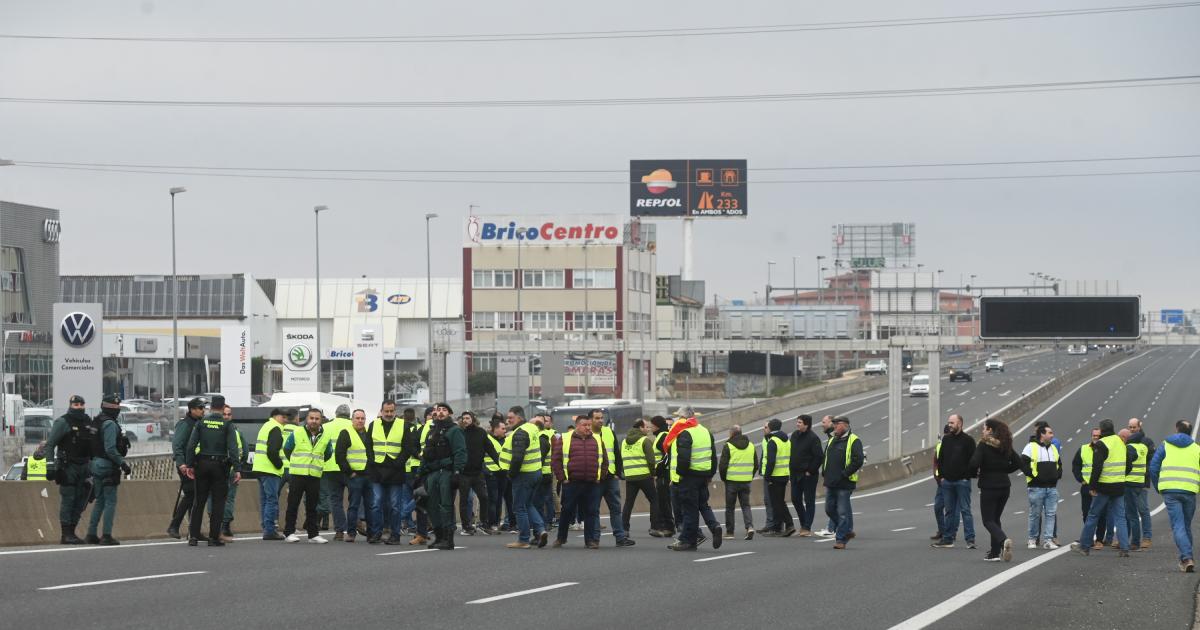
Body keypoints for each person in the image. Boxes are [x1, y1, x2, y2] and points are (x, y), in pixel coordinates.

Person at [1071, 420, 1135, 557]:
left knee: (1093, 515)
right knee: (1120, 518)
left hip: (1104, 486)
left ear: (1101, 431)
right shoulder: (1120, 442)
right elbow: (1129, 465)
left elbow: (1097, 467)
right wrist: (1121, 477)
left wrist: (1092, 486)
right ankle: (1124, 549)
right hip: (1119, 485)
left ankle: (1084, 546)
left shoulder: (1101, 444)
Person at [183, 396, 241, 547]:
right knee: (218, 502)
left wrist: (189, 465)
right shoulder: (227, 425)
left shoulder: (201, 423)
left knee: (199, 501)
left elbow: (191, 445)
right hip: (219, 466)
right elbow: (233, 449)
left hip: (201, 464)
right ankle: (214, 537)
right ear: (223, 408)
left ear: (210, 408)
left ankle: (193, 537)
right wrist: (237, 469)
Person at [666, 412, 723, 551]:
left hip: (689, 476)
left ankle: (687, 541)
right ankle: (714, 526)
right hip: (703, 475)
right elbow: (713, 456)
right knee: (703, 504)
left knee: (689, 509)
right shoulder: (705, 431)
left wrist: (679, 474)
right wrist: (710, 474)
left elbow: (684, 459)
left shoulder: (685, 433)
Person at [44, 394, 96, 544]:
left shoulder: (88, 421)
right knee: (69, 500)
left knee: (82, 501)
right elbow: (50, 445)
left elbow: (93, 443)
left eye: (81, 404)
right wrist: (50, 466)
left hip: (85, 466)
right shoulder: (63, 422)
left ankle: (72, 532)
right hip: (68, 467)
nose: (79, 407)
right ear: (70, 405)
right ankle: (66, 534)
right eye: (76, 405)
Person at [1148, 420, 1199, 572]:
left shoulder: (1166, 445)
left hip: (1170, 491)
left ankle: (1186, 558)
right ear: (1190, 432)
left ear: (1176, 429)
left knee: (1178, 525)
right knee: (1185, 526)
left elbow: (1153, 467)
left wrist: (1159, 486)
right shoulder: (1196, 448)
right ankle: (1186, 558)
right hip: (1189, 491)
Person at [552, 415, 608, 548]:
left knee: (591, 511)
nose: (588, 427)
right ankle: (561, 537)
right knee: (567, 510)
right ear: (577, 425)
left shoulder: (597, 439)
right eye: (585, 425)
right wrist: (562, 478)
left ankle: (590, 540)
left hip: (592, 483)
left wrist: (601, 476)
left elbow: (605, 460)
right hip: (572, 482)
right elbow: (556, 459)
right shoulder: (565, 439)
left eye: (589, 425)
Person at [969, 418, 1020, 562]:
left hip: (989, 487)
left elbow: (974, 463)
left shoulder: (983, 445)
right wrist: (1005, 470)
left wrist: (975, 473)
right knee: (995, 519)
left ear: (990, 430)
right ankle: (994, 553)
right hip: (1005, 486)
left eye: (984, 428)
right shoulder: (1004, 446)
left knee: (988, 520)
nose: (982, 431)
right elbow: (1018, 462)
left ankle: (1004, 541)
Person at [500, 406, 549, 549]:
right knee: (528, 504)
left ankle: (523, 539)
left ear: (519, 418)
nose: (508, 420)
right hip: (536, 472)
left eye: (511, 417)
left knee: (519, 507)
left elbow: (517, 457)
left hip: (523, 475)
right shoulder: (531, 428)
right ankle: (541, 530)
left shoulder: (520, 433)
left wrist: (511, 474)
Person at [420, 402, 467, 550]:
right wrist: (420, 473)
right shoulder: (432, 431)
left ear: (450, 414)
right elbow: (426, 454)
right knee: (431, 505)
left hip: (447, 472)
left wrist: (457, 472)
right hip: (433, 472)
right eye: (438, 410)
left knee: (446, 505)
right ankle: (439, 536)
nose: (440, 412)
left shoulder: (454, 431)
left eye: (444, 410)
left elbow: (460, 452)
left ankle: (448, 538)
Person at [281, 407, 332, 544]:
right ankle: (289, 532)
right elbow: (287, 449)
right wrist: (297, 462)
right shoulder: (297, 433)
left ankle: (313, 535)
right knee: (293, 504)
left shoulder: (325, 436)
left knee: (312, 506)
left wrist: (317, 463)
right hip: (298, 474)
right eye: (311, 418)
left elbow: (328, 454)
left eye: (317, 419)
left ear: (321, 420)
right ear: (307, 419)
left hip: (314, 475)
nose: (314, 421)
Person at [85, 395, 130, 545]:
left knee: (100, 501)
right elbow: (110, 448)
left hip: (95, 464)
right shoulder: (110, 424)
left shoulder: (96, 421)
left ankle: (91, 534)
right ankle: (106, 535)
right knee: (110, 501)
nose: (118, 411)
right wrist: (122, 463)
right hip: (107, 465)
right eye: (117, 408)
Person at [932, 414, 977, 549]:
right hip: (947, 482)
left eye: (952, 423)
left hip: (962, 482)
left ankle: (970, 539)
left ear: (960, 424)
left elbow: (974, 461)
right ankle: (948, 538)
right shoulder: (946, 440)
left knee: (965, 510)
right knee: (949, 511)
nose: (950, 425)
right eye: (949, 423)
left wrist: (967, 476)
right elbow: (941, 460)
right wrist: (942, 477)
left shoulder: (968, 440)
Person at [592, 409, 633, 547]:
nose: (600, 420)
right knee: (594, 509)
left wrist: (617, 473)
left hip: (610, 477)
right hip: (595, 478)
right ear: (590, 420)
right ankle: (595, 538)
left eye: (601, 418)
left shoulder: (609, 432)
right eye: (597, 418)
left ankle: (620, 538)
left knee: (616, 508)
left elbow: (616, 452)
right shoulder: (587, 434)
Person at [168, 398, 206, 540]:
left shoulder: (199, 424)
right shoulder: (185, 424)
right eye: (200, 408)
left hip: (196, 464)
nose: (203, 410)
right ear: (192, 410)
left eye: (203, 408)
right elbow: (177, 445)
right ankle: (174, 526)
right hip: (185, 465)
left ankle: (194, 531)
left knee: (196, 497)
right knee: (190, 494)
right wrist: (182, 464)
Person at [823, 416, 864, 550]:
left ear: (845, 425)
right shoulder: (832, 439)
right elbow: (826, 458)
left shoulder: (854, 440)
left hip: (844, 483)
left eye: (837, 424)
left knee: (842, 511)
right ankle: (846, 529)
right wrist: (824, 472)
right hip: (830, 482)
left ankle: (841, 539)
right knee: (829, 509)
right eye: (833, 424)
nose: (834, 426)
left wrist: (844, 474)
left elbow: (858, 460)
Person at [1021, 422, 1062, 550]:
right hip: (1036, 487)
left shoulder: (1053, 448)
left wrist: (1057, 475)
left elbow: (1059, 464)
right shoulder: (1030, 447)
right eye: (1050, 433)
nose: (1052, 435)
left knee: (1050, 514)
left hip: (1052, 487)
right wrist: (1035, 477)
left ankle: (1048, 540)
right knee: (1035, 514)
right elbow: (1023, 464)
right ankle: (1032, 539)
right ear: (1042, 434)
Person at [252, 408, 290, 540]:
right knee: (271, 500)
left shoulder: (266, 426)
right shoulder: (275, 428)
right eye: (283, 417)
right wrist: (280, 464)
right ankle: (269, 530)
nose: (285, 419)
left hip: (260, 468)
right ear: (275, 416)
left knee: (264, 500)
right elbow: (272, 451)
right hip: (270, 470)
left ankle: (266, 528)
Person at [456, 410, 496, 536]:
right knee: (465, 500)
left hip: (478, 472)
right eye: (463, 418)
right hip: (464, 473)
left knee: (484, 497)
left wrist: (501, 463)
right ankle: (466, 526)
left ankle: (484, 524)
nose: (465, 420)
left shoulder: (481, 433)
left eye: (468, 418)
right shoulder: (459, 433)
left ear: (473, 419)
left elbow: (490, 449)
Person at [211, 405, 247, 542]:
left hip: (228, 471)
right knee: (221, 499)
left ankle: (222, 526)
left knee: (225, 499)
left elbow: (242, 451)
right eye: (224, 414)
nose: (226, 417)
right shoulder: (234, 431)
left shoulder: (234, 432)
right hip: (220, 470)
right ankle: (222, 526)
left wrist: (238, 467)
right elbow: (243, 452)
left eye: (229, 414)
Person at [337, 409, 373, 542]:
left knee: (371, 505)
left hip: (369, 476)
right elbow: (339, 455)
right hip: (355, 476)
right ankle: (351, 533)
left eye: (362, 418)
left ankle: (372, 533)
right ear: (352, 419)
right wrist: (349, 472)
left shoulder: (369, 433)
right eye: (357, 418)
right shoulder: (346, 433)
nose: (360, 421)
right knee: (354, 505)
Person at [320, 404, 354, 541]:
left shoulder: (326, 426)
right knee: (355, 499)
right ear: (349, 415)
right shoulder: (354, 426)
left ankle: (339, 531)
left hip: (330, 469)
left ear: (336, 413)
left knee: (335, 500)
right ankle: (353, 526)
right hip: (350, 469)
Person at [1072, 428, 1110, 549]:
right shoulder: (1083, 449)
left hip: (1100, 485)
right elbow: (1076, 465)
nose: (1096, 437)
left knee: (1101, 514)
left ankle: (1099, 539)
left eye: (1098, 436)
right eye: (1094, 435)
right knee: (1086, 513)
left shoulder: (1105, 449)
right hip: (1087, 486)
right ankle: (1089, 538)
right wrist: (1081, 479)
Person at [620, 419, 659, 537]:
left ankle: (624, 529)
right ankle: (654, 527)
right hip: (644, 476)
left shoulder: (624, 442)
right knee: (654, 500)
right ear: (640, 428)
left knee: (628, 503)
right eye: (646, 427)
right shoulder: (644, 440)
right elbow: (651, 460)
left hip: (630, 477)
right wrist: (653, 473)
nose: (648, 429)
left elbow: (622, 459)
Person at [719, 424, 758, 540]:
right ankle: (749, 527)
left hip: (731, 481)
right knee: (746, 505)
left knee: (730, 507)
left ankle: (730, 532)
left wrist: (724, 478)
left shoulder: (728, 446)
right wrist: (749, 476)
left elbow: (723, 466)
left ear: (731, 433)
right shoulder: (751, 445)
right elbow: (756, 464)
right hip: (746, 481)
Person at [789, 414, 823, 537]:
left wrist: (810, 470)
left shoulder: (813, 438)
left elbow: (819, 456)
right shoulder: (794, 435)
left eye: (800, 422)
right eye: (797, 422)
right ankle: (803, 523)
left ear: (806, 425)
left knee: (809, 501)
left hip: (808, 475)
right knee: (795, 499)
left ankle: (807, 527)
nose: (797, 424)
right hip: (795, 474)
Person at [404, 407, 434, 545]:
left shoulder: (450, 429)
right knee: (420, 500)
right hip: (422, 469)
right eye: (433, 413)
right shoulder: (420, 430)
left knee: (440, 502)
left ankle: (442, 533)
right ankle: (421, 533)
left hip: (440, 470)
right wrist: (420, 457)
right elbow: (411, 446)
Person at [762, 418, 796, 537]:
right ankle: (777, 528)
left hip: (775, 476)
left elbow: (771, 461)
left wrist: (767, 476)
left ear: (770, 428)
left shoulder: (773, 441)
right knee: (779, 502)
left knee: (778, 503)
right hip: (784, 474)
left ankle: (789, 524)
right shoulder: (786, 440)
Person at [1125, 417, 1155, 550]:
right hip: (1129, 482)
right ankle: (1125, 537)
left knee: (1143, 509)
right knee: (1128, 512)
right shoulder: (1128, 442)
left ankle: (1147, 537)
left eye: (1134, 427)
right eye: (1130, 427)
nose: (1132, 429)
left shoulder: (1147, 442)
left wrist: (1144, 472)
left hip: (1141, 482)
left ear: (1139, 426)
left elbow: (1152, 461)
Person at [485, 417, 511, 533]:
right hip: (491, 473)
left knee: (499, 499)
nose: (505, 430)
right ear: (495, 429)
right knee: (493, 499)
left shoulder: (506, 440)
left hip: (503, 473)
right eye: (502, 428)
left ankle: (497, 521)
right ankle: (491, 523)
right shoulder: (487, 439)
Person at [650, 416, 675, 537]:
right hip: (661, 474)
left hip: (664, 474)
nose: (650, 428)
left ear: (657, 426)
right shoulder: (660, 436)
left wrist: (658, 469)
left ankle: (669, 527)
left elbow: (668, 455)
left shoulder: (664, 436)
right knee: (661, 500)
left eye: (652, 426)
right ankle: (663, 526)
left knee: (664, 501)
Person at [814, 414, 839, 537]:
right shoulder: (831, 437)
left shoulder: (838, 438)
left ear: (831, 423)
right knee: (833, 506)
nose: (822, 424)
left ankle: (841, 529)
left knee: (834, 506)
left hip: (838, 479)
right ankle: (833, 528)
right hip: (831, 477)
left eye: (824, 422)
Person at [930, 423, 951, 542]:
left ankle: (950, 532)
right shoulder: (940, 446)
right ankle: (942, 531)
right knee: (938, 507)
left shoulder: (957, 444)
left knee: (952, 509)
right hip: (941, 483)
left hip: (953, 481)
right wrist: (937, 478)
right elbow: (935, 463)